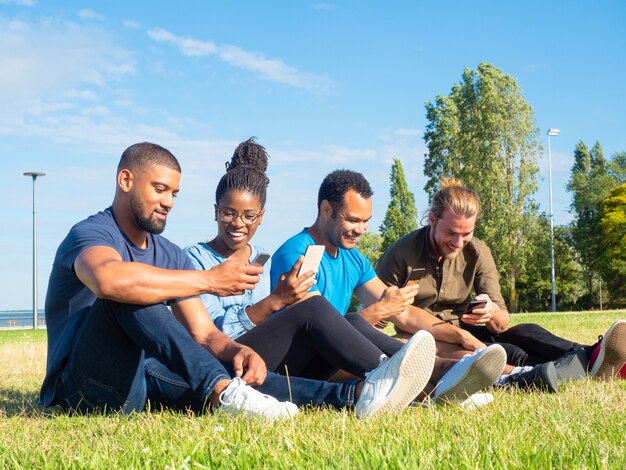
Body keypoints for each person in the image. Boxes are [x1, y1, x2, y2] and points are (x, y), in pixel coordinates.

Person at [38, 142, 448, 421]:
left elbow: (203, 333)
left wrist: (236, 350)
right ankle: (225, 392)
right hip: (83, 387)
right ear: (125, 180)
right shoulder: (92, 234)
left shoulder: (170, 254)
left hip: (142, 383)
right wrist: (209, 281)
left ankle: (359, 396)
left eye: (175, 194)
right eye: (159, 189)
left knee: (237, 367)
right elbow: (109, 280)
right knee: (131, 293)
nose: (168, 202)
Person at [185, 139, 506, 407]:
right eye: (228, 213)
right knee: (319, 309)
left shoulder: (264, 260)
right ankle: (406, 375)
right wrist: (272, 303)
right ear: (215, 211)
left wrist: (458, 335)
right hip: (230, 364)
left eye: (248, 216)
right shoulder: (196, 260)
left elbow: (399, 313)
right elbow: (208, 336)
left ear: (261, 217)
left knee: (351, 319)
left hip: (275, 360)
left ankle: (440, 375)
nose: (238, 224)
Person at [375, 178, 626, 383]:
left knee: (526, 332)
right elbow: (382, 315)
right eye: (451, 232)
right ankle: (571, 370)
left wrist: (491, 311)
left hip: (468, 326)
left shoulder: (478, 251)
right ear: (432, 220)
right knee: (510, 352)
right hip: (429, 335)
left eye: (467, 234)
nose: (458, 243)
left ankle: (592, 355)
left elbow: (502, 323)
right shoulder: (401, 253)